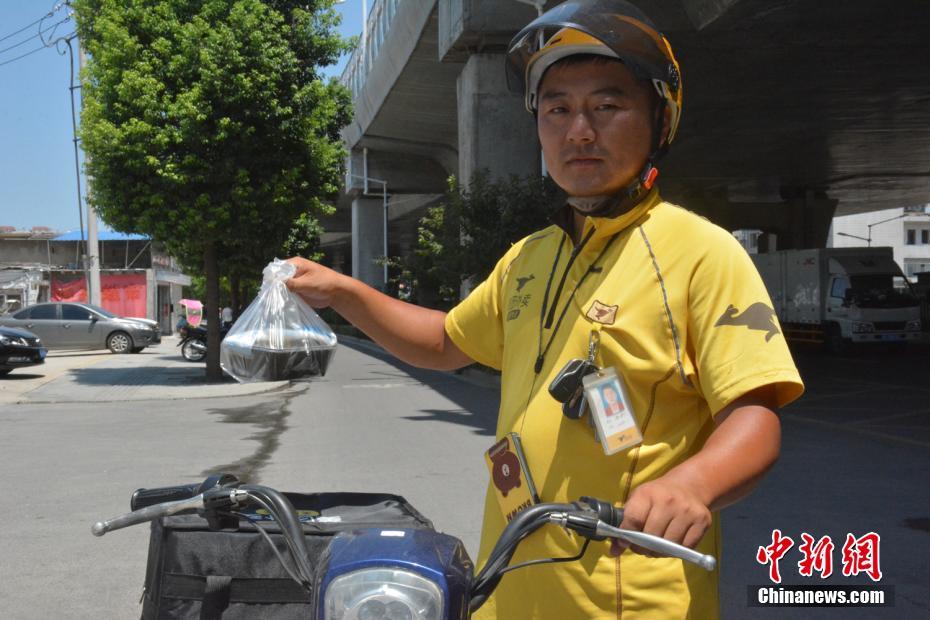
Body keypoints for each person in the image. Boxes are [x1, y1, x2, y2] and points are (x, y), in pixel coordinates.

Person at [285, 0, 804, 616]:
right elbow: (445, 343)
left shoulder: (700, 253)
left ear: (660, 117)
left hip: (626, 599)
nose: (579, 130)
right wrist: (343, 290)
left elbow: (754, 414)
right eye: (557, 109)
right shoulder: (531, 257)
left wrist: (693, 483)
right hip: (510, 586)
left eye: (607, 107)